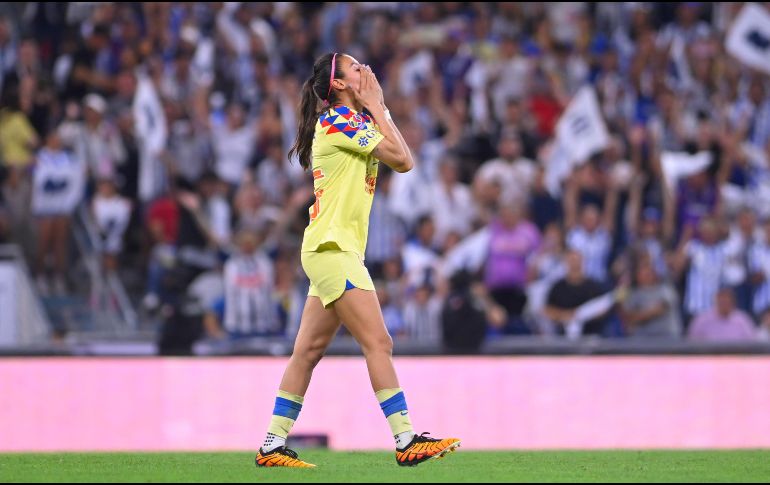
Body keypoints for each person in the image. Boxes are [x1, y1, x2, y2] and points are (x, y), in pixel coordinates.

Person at [255, 53, 459, 469]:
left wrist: (378, 109)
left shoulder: (356, 123)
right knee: (378, 342)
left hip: (330, 249)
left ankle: (272, 445)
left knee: (308, 351)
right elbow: (402, 160)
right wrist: (380, 106)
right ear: (341, 84)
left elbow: (406, 159)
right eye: (355, 66)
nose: (365, 68)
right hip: (334, 250)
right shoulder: (339, 122)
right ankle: (405, 440)